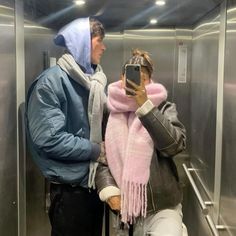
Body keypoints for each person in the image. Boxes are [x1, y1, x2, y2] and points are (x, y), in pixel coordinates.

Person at [25, 17, 107, 236]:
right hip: (70, 194)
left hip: (93, 185)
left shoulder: (94, 82)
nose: (104, 47)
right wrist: (97, 151)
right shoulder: (50, 83)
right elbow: (50, 140)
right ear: (84, 43)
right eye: (100, 41)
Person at [95, 49, 187, 235]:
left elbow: (175, 145)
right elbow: (101, 157)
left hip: (163, 208)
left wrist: (146, 106)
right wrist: (109, 189)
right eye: (130, 76)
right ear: (122, 77)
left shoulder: (164, 107)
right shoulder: (110, 111)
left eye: (142, 78)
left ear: (149, 80)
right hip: (125, 212)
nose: (135, 82)